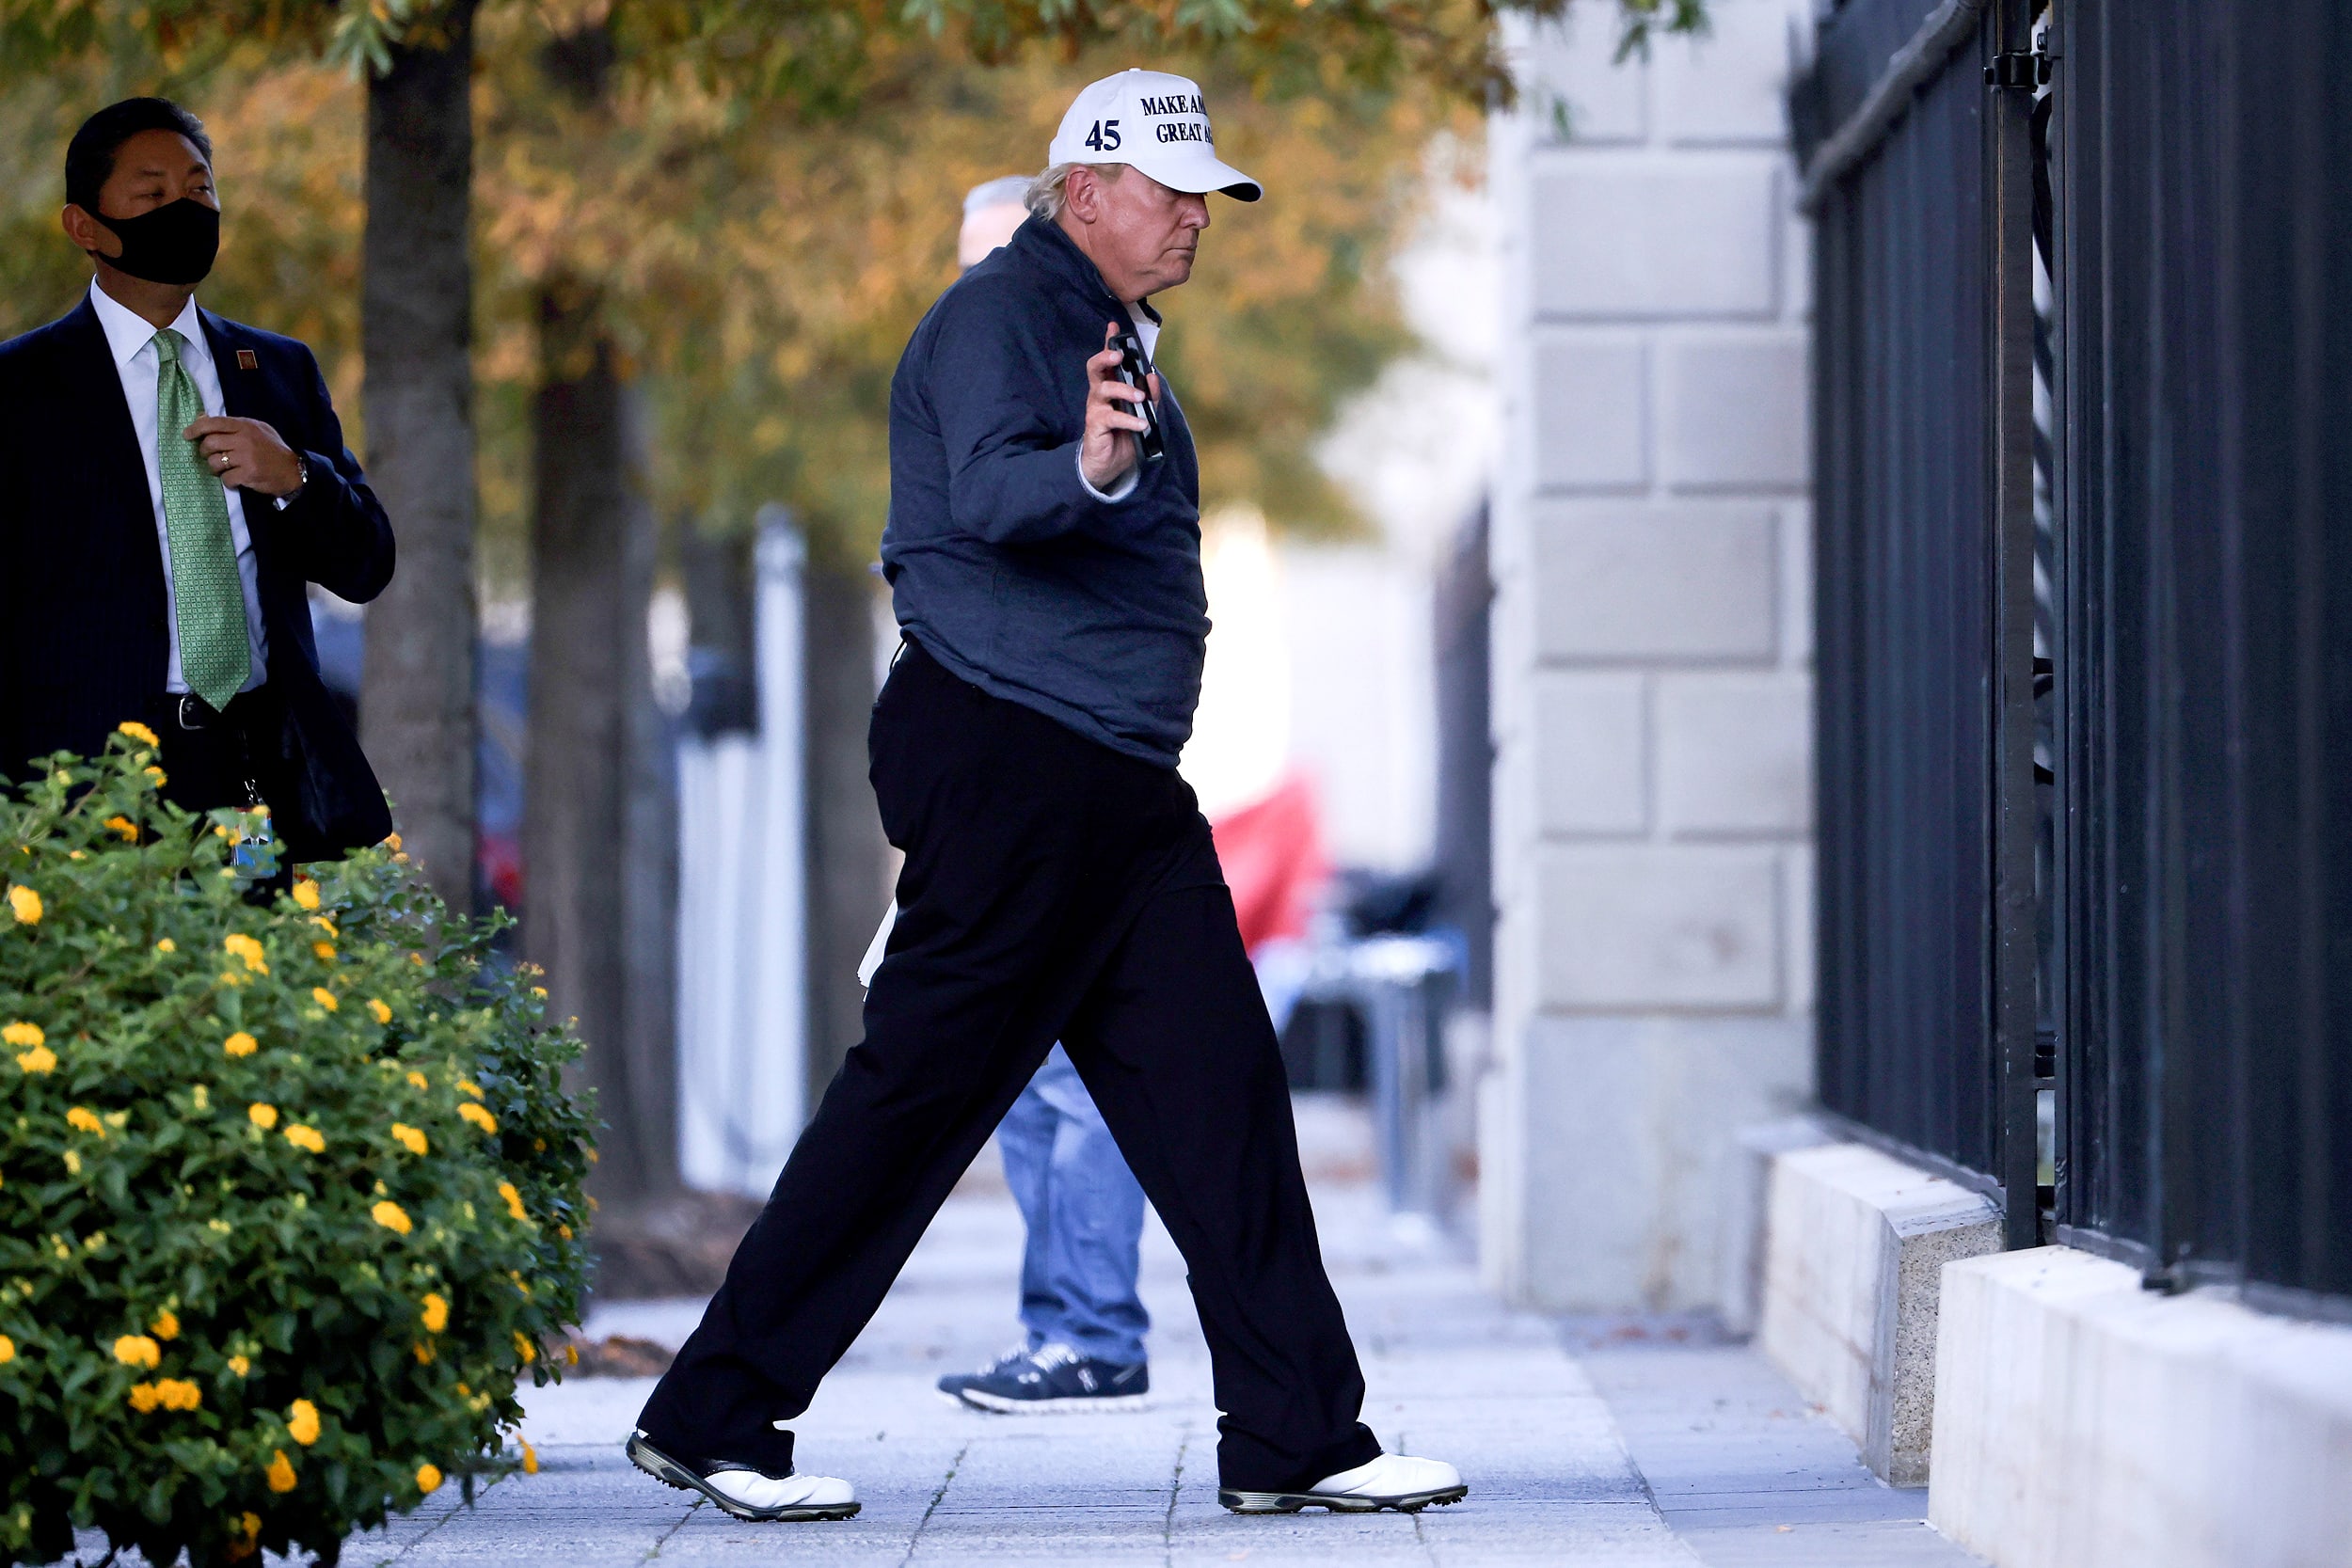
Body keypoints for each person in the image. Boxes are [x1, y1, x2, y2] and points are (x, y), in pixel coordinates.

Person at [626, 69, 1465, 1522]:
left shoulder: (1094, 324)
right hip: (1020, 761)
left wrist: (1094, 460)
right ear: (1085, 191)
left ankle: (1295, 1431)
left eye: (1208, 190)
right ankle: (713, 1413)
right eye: (1170, 187)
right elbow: (995, 495)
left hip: (1107, 784)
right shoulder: (1003, 316)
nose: (1197, 214)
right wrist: (1085, 463)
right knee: (913, 1105)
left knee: (1222, 1102)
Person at [0, 99, 394, 863]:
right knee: (124, 980)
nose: (184, 208)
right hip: (87, 785)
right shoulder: (20, 390)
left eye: (200, 189)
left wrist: (294, 476)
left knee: (249, 968)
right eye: (152, 195)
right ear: (84, 226)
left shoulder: (278, 371)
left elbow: (367, 561)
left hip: (252, 773)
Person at [930, 174, 1155, 1417]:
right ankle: (1071, 1324)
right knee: (1031, 1070)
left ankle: (1091, 1330)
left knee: (1067, 1069)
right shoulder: (982, 383)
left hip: (1058, 768)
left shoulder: (1094, 388)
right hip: (994, 771)